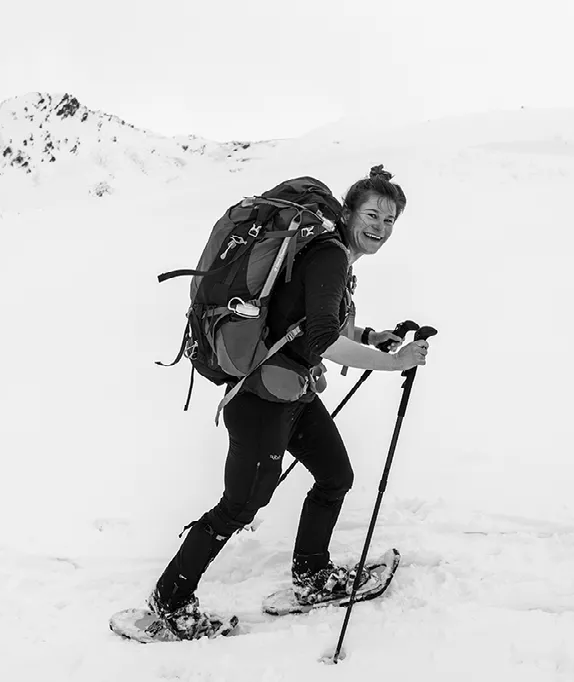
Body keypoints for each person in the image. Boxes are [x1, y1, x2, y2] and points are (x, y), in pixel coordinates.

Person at [148, 166, 429, 639]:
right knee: (240, 506)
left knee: (336, 476)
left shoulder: (330, 255)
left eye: (389, 219)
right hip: (260, 400)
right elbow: (320, 338)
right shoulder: (329, 256)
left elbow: (309, 322)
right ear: (348, 211)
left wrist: (370, 338)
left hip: (290, 392)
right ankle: (169, 600)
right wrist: (395, 363)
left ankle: (312, 575)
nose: (380, 227)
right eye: (372, 214)